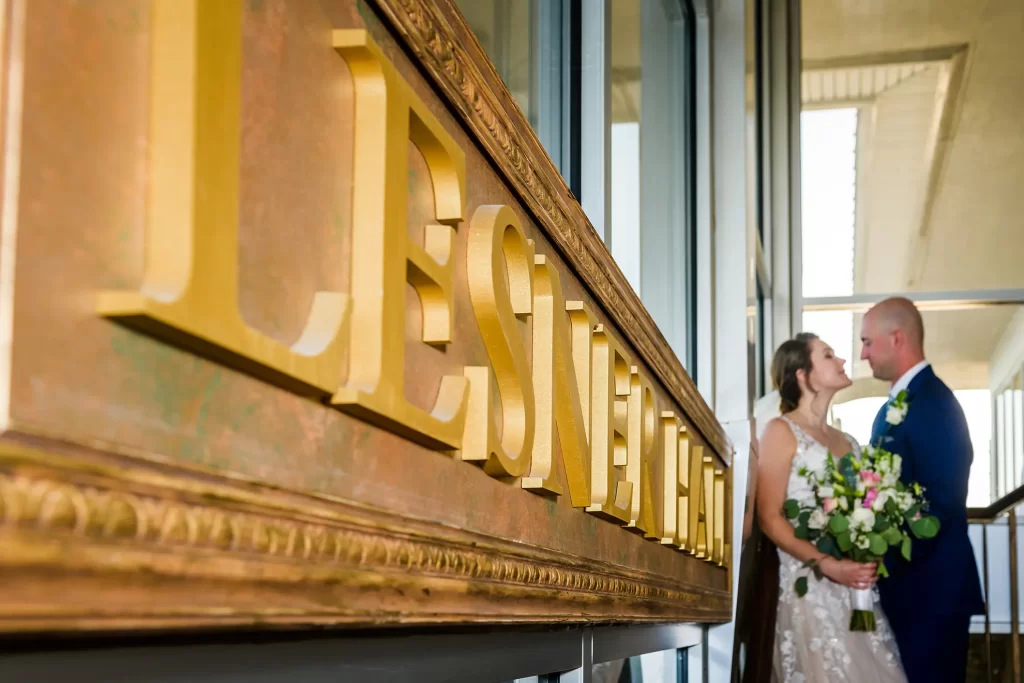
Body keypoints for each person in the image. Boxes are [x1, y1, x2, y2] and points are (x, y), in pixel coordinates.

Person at [757, 333, 906, 683]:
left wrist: (869, 545)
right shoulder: (780, 431)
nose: (842, 361)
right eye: (828, 355)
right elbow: (769, 516)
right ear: (802, 375)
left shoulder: (849, 443)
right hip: (809, 586)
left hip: (854, 586)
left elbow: (862, 508)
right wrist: (828, 565)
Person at [861, 298, 985, 683]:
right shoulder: (893, 407)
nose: (863, 354)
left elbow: (942, 502)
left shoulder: (934, 402)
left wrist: (884, 558)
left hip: (931, 590)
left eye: (867, 342)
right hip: (905, 590)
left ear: (896, 338)